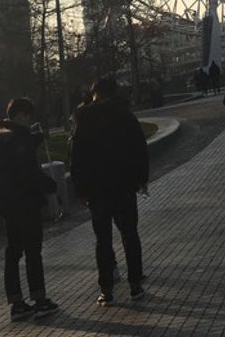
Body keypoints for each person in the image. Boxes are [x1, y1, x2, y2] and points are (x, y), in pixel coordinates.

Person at [69, 76, 150, 306]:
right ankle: (135, 285)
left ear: (96, 94)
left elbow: (77, 157)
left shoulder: (85, 119)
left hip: (97, 190)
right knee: (130, 234)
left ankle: (106, 289)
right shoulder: (125, 115)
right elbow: (139, 147)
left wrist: (81, 189)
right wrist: (141, 179)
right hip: (124, 185)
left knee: (102, 240)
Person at [0, 98, 60, 322]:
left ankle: (16, 302)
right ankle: (40, 299)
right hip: (25, 203)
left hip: (6, 206)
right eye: (28, 116)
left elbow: (15, 155)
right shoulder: (19, 139)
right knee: (34, 251)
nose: (30, 120)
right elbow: (28, 171)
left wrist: (32, 140)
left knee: (13, 252)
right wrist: (51, 187)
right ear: (22, 115)